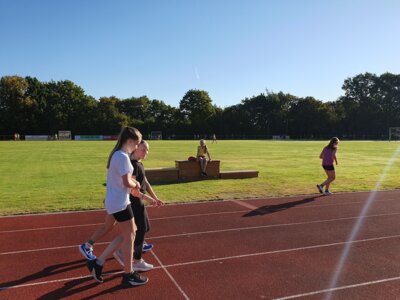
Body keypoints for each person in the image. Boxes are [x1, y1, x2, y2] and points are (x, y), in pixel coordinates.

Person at [85, 126, 148, 286]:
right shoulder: (123, 157)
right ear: (130, 141)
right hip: (120, 202)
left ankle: (98, 263)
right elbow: (127, 182)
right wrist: (137, 183)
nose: (136, 147)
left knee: (131, 233)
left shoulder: (117, 154)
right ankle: (128, 274)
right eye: (137, 143)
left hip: (117, 201)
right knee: (130, 235)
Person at [113, 140, 163, 271]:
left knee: (144, 228)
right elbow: (133, 191)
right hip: (134, 202)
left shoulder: (139, 164)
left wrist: (155, 197)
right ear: (135, 149)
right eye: (143, 149)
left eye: (147, 150)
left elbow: (146, 182)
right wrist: (148, 199)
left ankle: (124, 252)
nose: (146, 152)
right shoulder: (133, 166)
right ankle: (136, 260)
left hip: (139, 201)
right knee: (140, 229)